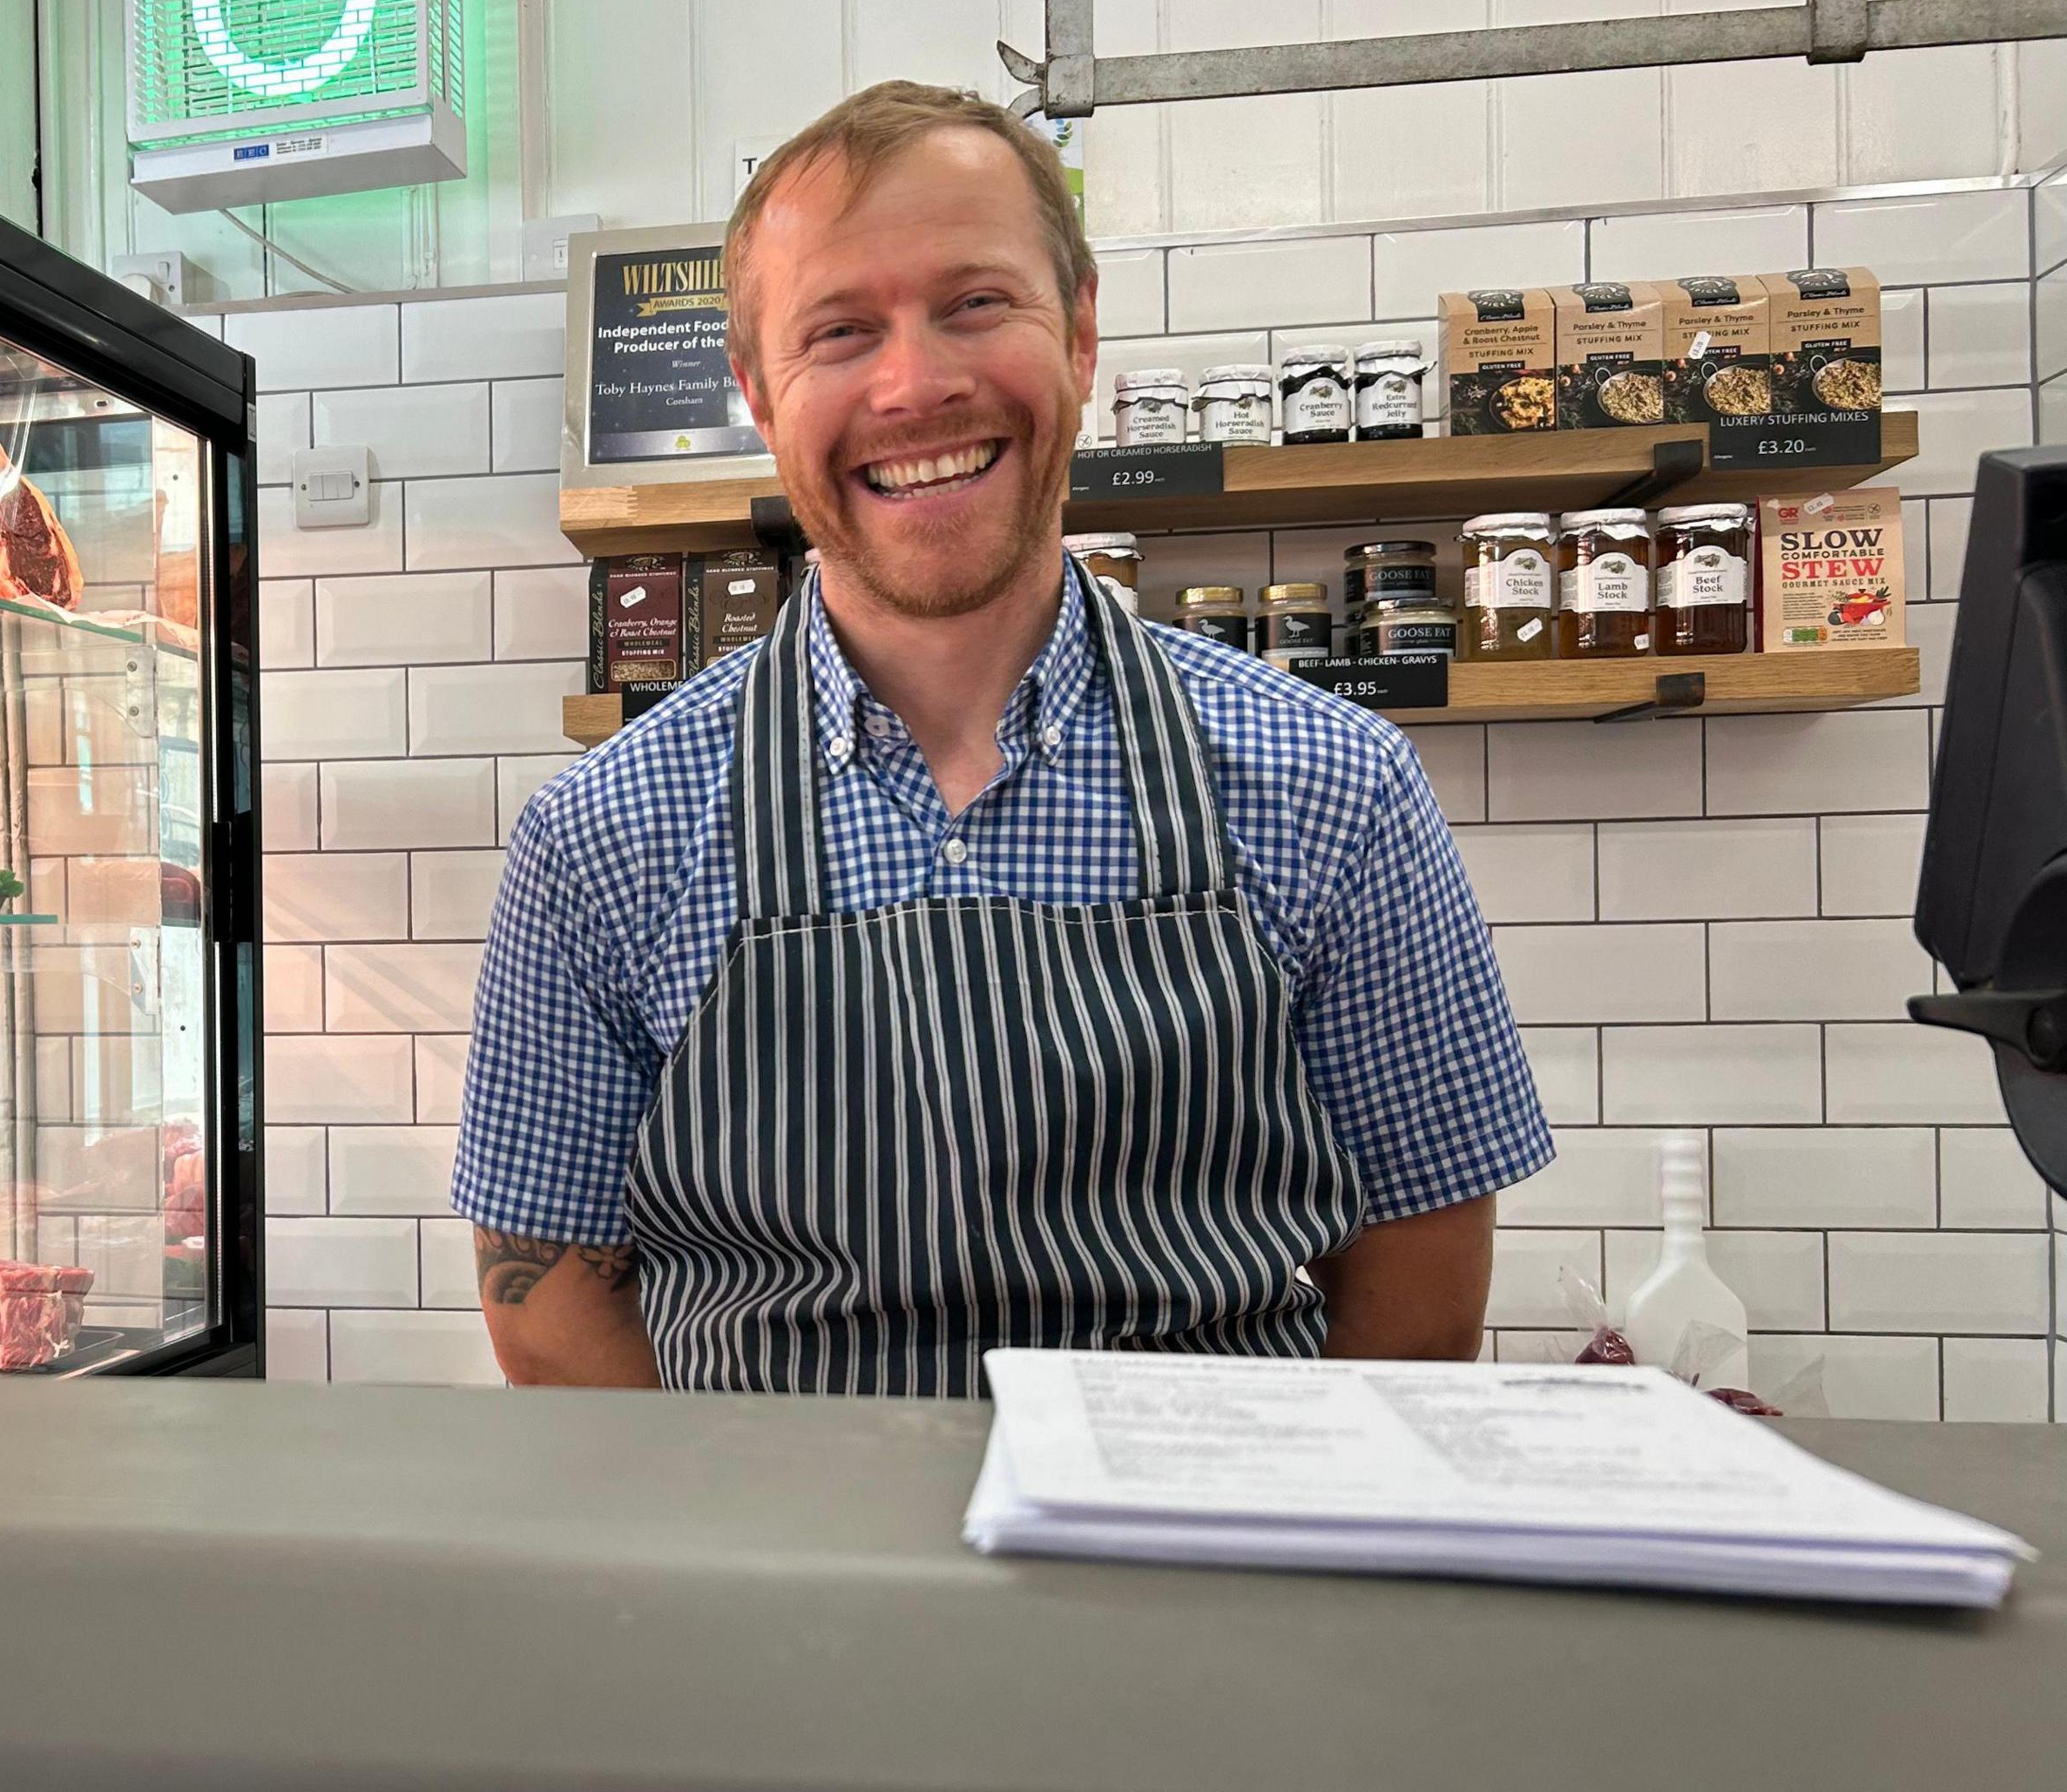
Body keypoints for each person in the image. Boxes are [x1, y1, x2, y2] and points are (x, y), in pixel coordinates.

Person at [450, 80, 1549, 1393]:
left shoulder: (1333, 785)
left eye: (976, 303)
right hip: (778, 1572)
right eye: (841, 331)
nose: (917, 383)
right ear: (756, 390)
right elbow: (545, 1293)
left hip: (1194, 1571)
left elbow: (1423, 1271)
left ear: (1081, 335)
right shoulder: (602, 835)